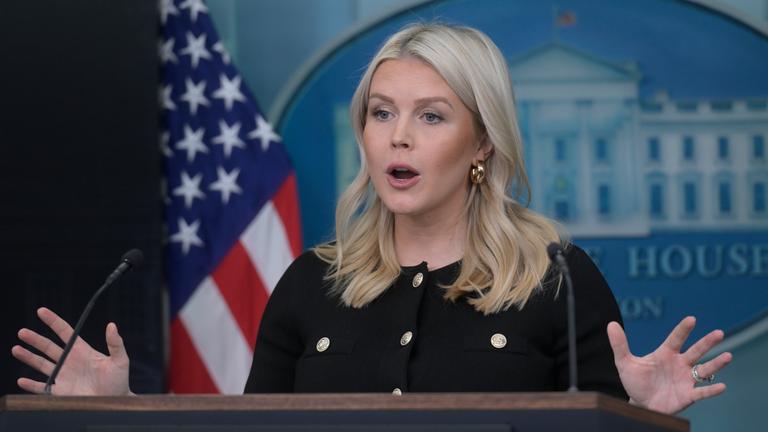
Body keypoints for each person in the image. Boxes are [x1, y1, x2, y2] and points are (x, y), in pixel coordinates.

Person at [12, 23, 731, 414]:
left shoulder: (556, 279)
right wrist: (121, 413)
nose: (399, 138)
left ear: (483, 141)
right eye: (382, 113)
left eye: (432, 116)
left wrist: (642, 420)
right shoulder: (309, 284)